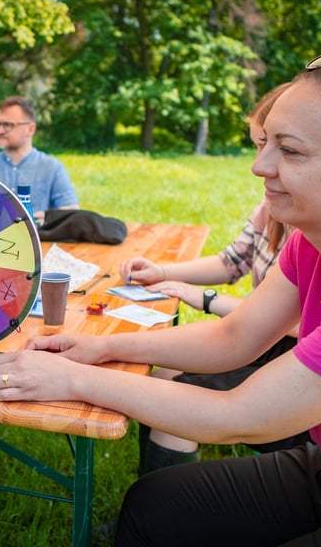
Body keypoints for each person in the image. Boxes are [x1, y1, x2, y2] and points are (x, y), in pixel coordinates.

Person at [0, 48, 321, 545]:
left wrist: (74, 379)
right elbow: (235, 337)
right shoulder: (316, 236)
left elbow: (239, 416)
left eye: (290, 151)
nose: (260, 165)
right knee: (153, 507)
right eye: (265, 142)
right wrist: (104, 348)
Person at [119, 83, 308, 474]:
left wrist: (202, 299)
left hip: (288, 360)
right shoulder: (269, 209)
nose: (260, 161)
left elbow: (292, 326)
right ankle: (148, 495)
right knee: (162, 373)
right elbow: (231, 262)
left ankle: (161, 517)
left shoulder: (313, 226)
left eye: (271, 145)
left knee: (176, 396)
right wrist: (163, 272)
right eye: (259, 144)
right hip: (259, 342)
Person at [0, 96, 79, 225]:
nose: (0, 131)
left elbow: (72, 213)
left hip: (40, 242)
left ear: (30, 129)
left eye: (7, 125)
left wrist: (47, 218)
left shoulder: (52, 168)